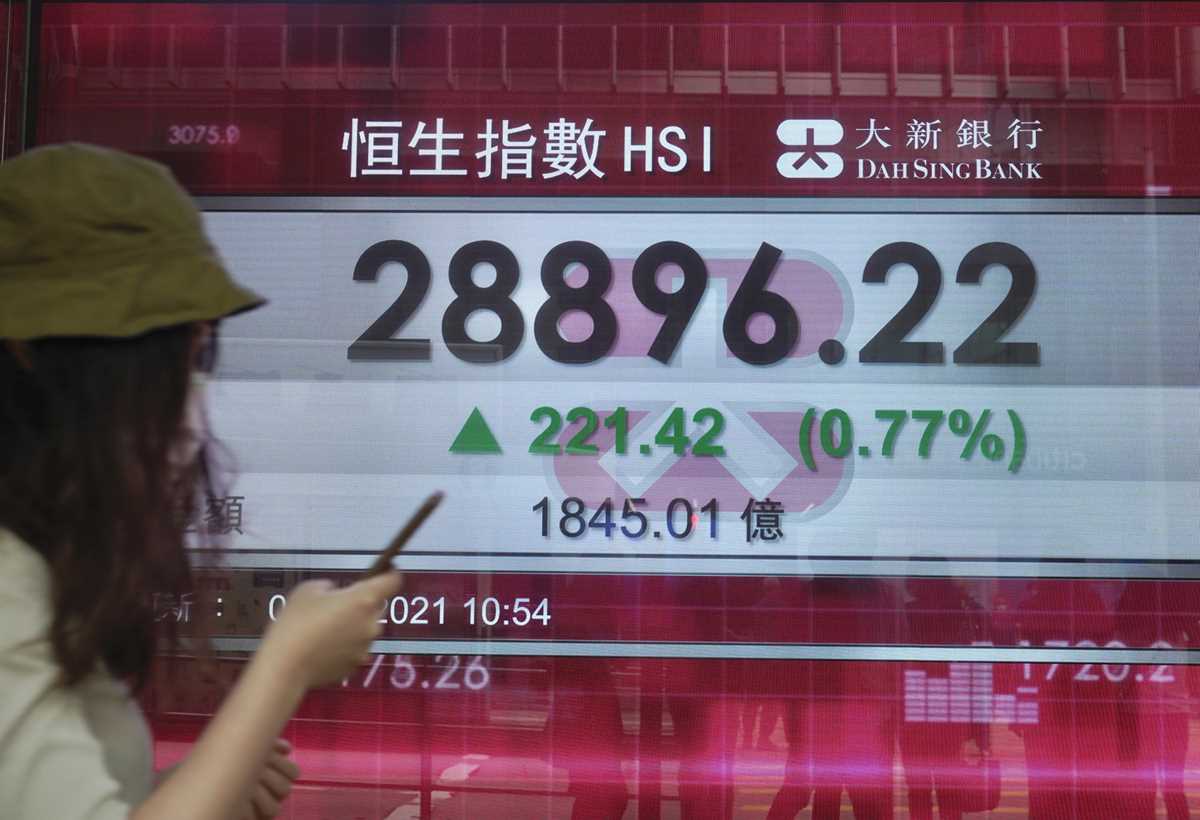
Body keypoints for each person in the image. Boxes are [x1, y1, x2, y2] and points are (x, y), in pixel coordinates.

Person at [0, 143, 403, 819]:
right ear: (35, 354)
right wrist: (286, 666)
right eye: (178, 354)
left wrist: (186, 791)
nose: (195, 389)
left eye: (206, 349)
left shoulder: (35, 565)